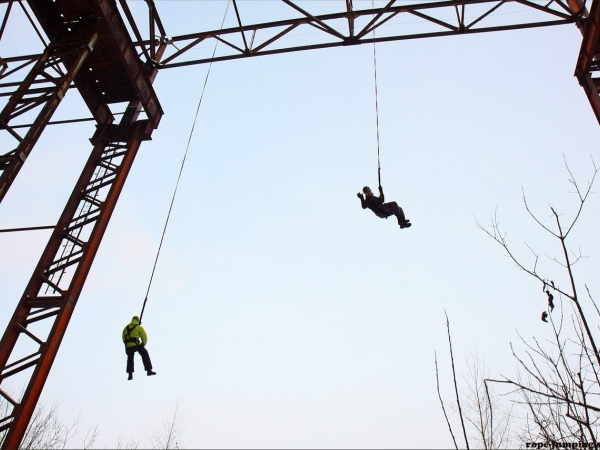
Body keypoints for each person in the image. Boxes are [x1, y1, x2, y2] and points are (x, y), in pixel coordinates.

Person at [122, 316, 156, 380]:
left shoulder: (125, 328)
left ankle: (130, 374)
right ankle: (149, 370)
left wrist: (127, 345)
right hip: (136, 345)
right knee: (144, 354)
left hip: (128, 346)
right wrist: (143, 344)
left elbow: (123, 338)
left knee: (130, 359)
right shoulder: (139, 327)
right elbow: (144, 337)